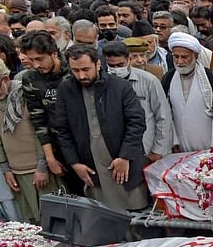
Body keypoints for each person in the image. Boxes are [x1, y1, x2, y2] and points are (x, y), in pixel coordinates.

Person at [52, 45, 148, 211]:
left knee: (135, 215)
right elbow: (62, 130)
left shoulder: (119, 87)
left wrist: (125, 156)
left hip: (124, 163)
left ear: (97, 64)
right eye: (75, 70)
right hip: (90, 167)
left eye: (85, 69)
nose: (81, 75)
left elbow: (137, 122)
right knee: (103, 215)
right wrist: (74, 163)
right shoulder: (66, 90)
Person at [0, 59, 55, 224]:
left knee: (52, 218)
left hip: (39, 168)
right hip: (15, 171)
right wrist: (5, 169)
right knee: (30, 221)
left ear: (5, 79)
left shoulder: (26, 94)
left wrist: (42, 165)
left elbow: (41, 131)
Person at [102, 41, 173, 163]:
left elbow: (163, 117)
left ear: (128, 60)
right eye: (111, 66)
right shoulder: (102, 84)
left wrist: (158, 150)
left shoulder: (149, 81)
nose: (116, 69)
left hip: (147, 149)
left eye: (120, 65)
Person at [20, 31, 70, 189]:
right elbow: (38, 119)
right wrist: (49, 158)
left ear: (54, 54)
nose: (36, 65)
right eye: (31, 60)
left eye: (40, 59)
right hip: (59, 146)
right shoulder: (31, 78)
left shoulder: (74, 71)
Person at [162, 32, 213, 153]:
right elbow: (167, 113)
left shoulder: (211, 78)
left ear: (195, 56)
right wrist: (173, 141)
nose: (179, 61)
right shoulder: (169, 78)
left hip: (208, 141)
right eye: (176, 57)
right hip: (180, 143)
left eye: (184, 57)